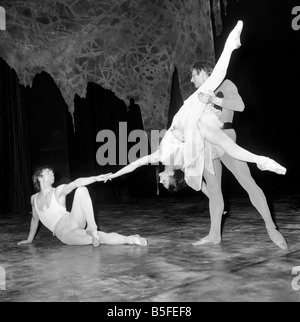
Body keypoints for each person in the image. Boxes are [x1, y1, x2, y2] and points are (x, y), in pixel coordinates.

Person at [102, 21, 286, 191]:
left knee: (225, 133)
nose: (160, 181)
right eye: (165, 182)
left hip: (188, 119)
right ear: (172, 175)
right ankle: (262, 160)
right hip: (192, 125)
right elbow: (199, 185)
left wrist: (115, 175)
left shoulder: (161, 157)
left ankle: (232, 45)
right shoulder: (181, 163)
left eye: (162, 183)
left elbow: (136, 164)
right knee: (227, 142)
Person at [189, 65, 287, 249]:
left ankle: (272, 229)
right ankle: (214, 234)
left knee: (248, 182)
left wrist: (213, 99)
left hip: (225, 138)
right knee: (214, 190)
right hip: (206, 144)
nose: (191, 80)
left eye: (193, 75)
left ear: (202, 72)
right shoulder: (197, 95)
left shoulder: (225, 84)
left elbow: (240, 106)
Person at [18, 166, 148, 247]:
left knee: (81, 189)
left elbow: (76, 182)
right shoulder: (33, 199)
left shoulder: (58, 191)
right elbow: (35, 220)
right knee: (100, 238)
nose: (52, 174)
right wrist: (29, 240)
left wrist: (97, 178)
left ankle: (92, 227)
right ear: (39, 178)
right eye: (48, 172)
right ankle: (131, 239)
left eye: (52, 172)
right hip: (65, 233)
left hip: (73, 219)